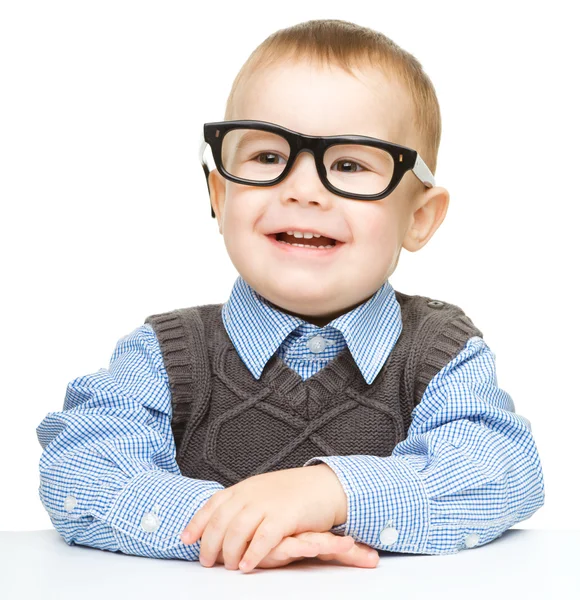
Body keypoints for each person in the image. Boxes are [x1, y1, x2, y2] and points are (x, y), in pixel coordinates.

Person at [36, 18, 545, 573]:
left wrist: (328, 493)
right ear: (220, 194)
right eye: (268, 158)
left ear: (419, 218)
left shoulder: (440, 352)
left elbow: (502, 470)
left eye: (350, 164)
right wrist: (237, 525)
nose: (302, 190)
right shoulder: (164, 355)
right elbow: (79, 468)